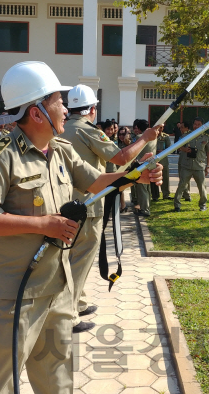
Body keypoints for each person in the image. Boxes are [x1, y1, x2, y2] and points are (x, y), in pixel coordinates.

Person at [0, 61, 162, 394]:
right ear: (37, 112)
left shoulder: (60, 150)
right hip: (14, 294)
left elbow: (97, 181)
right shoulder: (0, 159)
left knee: (57, 380)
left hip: (57, 287)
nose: (64, 108)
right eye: (58, 101)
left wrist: (135, 176)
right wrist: (44, 224)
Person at [59, 85, 160, 333]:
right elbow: (121, 157)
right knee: (80, 259)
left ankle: (79, 301)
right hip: (88, 204)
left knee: (72, 257)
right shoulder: (86, 130)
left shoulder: (62, 129)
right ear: (92, 109)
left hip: (64, 202)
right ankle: (68, 315)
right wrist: (145, 139)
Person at [174, 117, 209, 212]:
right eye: (195, 124)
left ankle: (203, 204)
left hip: (199, 166)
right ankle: (177, 205)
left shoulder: (206, 137)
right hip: (187, 165)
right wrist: (184, 149)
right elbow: (177, 146)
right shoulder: (186, 135)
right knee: (181, 185)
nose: (196, 126)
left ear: (202, 125)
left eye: (199, 124)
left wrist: (208, 166)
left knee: (202, 187)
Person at [131, 119, 157, 217]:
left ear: (139, 128)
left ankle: (144, 210)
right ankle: (147, 206)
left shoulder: (139, 137)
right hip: (151, 163)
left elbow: (132, 148)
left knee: (141, 188)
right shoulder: (153, 137)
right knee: (147, 187)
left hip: (142, 165)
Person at [151, 124, 172, 201]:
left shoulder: (165, 137)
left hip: (163, 160)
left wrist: (163, 151)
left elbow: (169, 148)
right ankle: (155, 196)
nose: (160, 130)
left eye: (161, 128)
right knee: (154, 177)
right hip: (153, 160)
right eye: (158, 128)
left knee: (165, 178)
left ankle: (166, 194)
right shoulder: (151, 135)